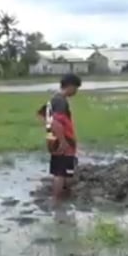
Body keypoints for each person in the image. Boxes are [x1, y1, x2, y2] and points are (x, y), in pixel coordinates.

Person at [36, 74, 82, 207]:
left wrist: (52, 133)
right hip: (62, 143)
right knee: (61, 173)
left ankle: (62, 197)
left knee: (63, 171)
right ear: (70, 86)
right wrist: (63, 141)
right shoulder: (61, 101)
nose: (76, 92)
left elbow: (42, 115)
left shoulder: (54, 99)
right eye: (76, 88)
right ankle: (57, 201)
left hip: (54, 140)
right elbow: (56, 123)